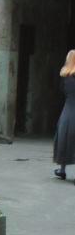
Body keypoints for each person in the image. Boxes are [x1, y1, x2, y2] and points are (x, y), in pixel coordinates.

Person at [54, 50, 75, 182]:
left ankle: (62, 170)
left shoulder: (64, 76)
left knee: (64, 138)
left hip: (68, 110)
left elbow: (60, 92)